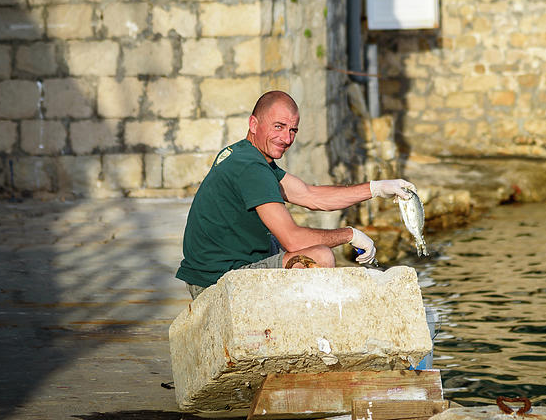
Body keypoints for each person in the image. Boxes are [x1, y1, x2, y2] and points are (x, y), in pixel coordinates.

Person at [176, 90, 414, 299]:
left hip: (222, 265)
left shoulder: (245, 154)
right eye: (278, 127)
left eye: (292, 130)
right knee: (319, 257)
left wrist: (378, 188)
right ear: (253, 124)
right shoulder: (251, 168)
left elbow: (310, 195)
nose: (286, 138)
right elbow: (293, 240)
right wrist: (350, 235)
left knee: (289, 241)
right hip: (217, 280)